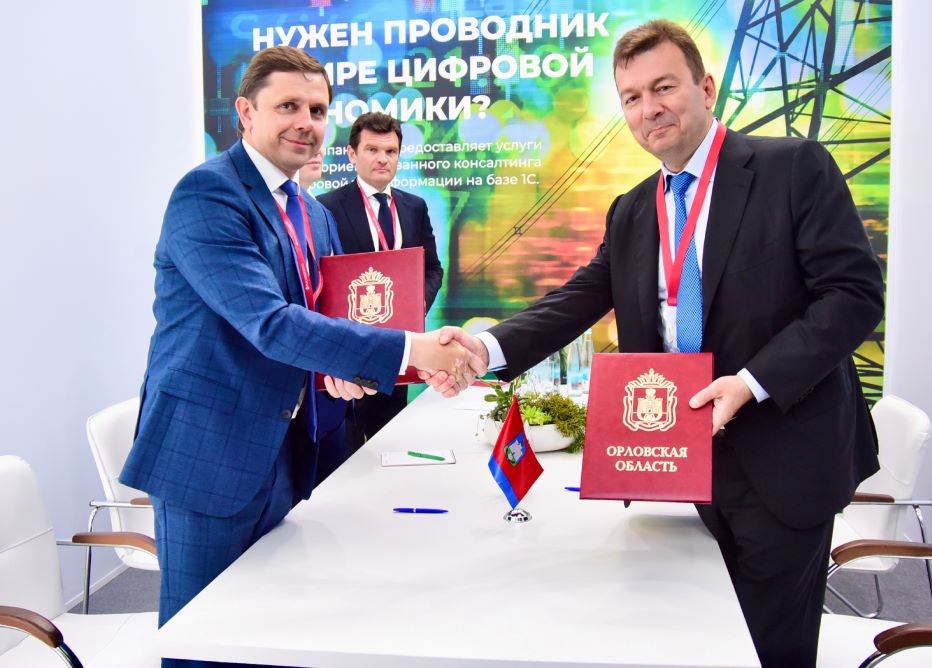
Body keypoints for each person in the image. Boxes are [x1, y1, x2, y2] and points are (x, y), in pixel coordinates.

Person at [430, 19, 884, 668]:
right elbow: (578, 298)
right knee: (699, 635)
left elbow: (852, 296)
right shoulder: (633, 208)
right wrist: (486, 349)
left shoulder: (791, 169)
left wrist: (750, 382)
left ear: (706, 87)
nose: (650, 109)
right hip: (682, 456)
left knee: (768, 648)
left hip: (784, 453)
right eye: (633, 97)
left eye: (664, 87)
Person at [120, 46, 480, 668]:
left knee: (272, 624)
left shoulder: (311, 212)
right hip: (210, 451)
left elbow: (325, 319)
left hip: (289, 449)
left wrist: (343, 370)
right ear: (246, 112)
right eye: (288, 105)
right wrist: (412, 349)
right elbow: (269, 322)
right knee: (205, 638)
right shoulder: (208, 194)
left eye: (316, 110)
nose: (305, 122)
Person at [317, 112, 444, 454]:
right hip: (349, 348)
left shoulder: (414, 207)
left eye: (390, 151)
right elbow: (320, 277)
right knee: (345, 448)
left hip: (398, 347)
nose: (383, 159)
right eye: (372, 150)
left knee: (390, 445)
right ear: (352, 154)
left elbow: (433, 269)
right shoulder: (326, 208)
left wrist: (415, 305)